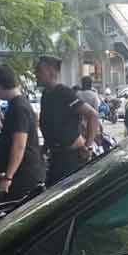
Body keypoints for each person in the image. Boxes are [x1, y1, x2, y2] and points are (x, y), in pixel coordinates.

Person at [36, 55, 101, 186]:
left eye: (39, 71)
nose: (36, 74)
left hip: (72, 158)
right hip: (56, 158)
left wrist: (87, 146)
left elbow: (92, 115)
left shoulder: (64, 92)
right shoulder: (45, 95)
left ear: (51, 71)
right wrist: (45, 147)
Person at [0, 64, 45, 201]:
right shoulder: (20, 103)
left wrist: (8, 177)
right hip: (25, 172)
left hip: (23, 176)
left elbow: (19, 145)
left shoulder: (18, 108)